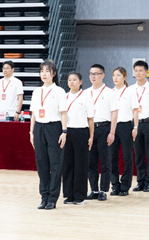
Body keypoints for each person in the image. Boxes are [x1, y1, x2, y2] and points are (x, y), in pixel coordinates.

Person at [29, 60, 66, 210]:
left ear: (54, 74)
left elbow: (63, 113)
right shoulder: (36, 91)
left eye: (47, 71)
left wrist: (64, 132)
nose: (44, 74)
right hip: (39, 127)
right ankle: (44, 197)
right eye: (42, 71)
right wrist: (31, 132)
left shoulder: (59, 91)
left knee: (55, 164)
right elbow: (33, 114)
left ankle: (52, 198)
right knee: (41, 163)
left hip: (54, 127)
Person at [60, 72, 94, 205]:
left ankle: (79, 196)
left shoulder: (86, 96)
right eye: (69, 80)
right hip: (67, 132)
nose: (71, 82)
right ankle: (69, 194)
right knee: (67, 164)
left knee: (80, 164)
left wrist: (91, 136)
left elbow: (90, 119)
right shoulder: (64, 96)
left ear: (80, 82)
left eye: (74, 80)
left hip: (81, 131)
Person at [84, 64, 118, 201]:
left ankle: (103, 190)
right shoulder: (85, 93)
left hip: (104, 128)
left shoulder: (110, 92)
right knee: (90, 161)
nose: (93, 76)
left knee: (105, 161)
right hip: (89, 129)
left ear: (103, 75)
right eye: (91, 74)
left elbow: (114, 113)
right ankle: (94, 189)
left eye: (96, 74)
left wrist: (112, 132)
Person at [131, 60, 149, 192]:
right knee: (138, 154)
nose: (138, 73)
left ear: (146, 72)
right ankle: (140, 181)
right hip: (136, 124)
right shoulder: (130, 89)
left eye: (141, 70)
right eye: (136, 71)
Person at [110, 67, 139, 196]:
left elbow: (135, 111)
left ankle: (125, 186)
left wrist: (135, 127)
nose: (115, 78)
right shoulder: (110, 92)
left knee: (127, 157)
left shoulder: (130, 92)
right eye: (114, 75)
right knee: (112, 157)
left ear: (124, 77)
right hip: (112, 127)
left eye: (118, 75)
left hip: (125, 125)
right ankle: (115, 185)